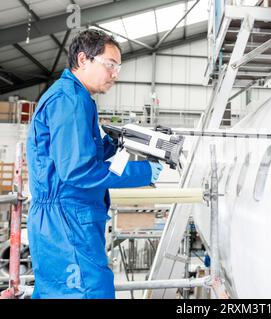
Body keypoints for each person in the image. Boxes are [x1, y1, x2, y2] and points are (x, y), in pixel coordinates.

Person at [26, 29, 163, 299]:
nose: (115, 73)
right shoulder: (70, 100)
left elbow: (81, 156)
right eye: (110, 65)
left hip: (64, 219)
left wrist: (122, 141)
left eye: (118, 67)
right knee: (88, 293)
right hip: (67, 220)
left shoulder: (76, 98)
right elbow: (79, 171)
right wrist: (143, 171)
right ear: (83, 59)